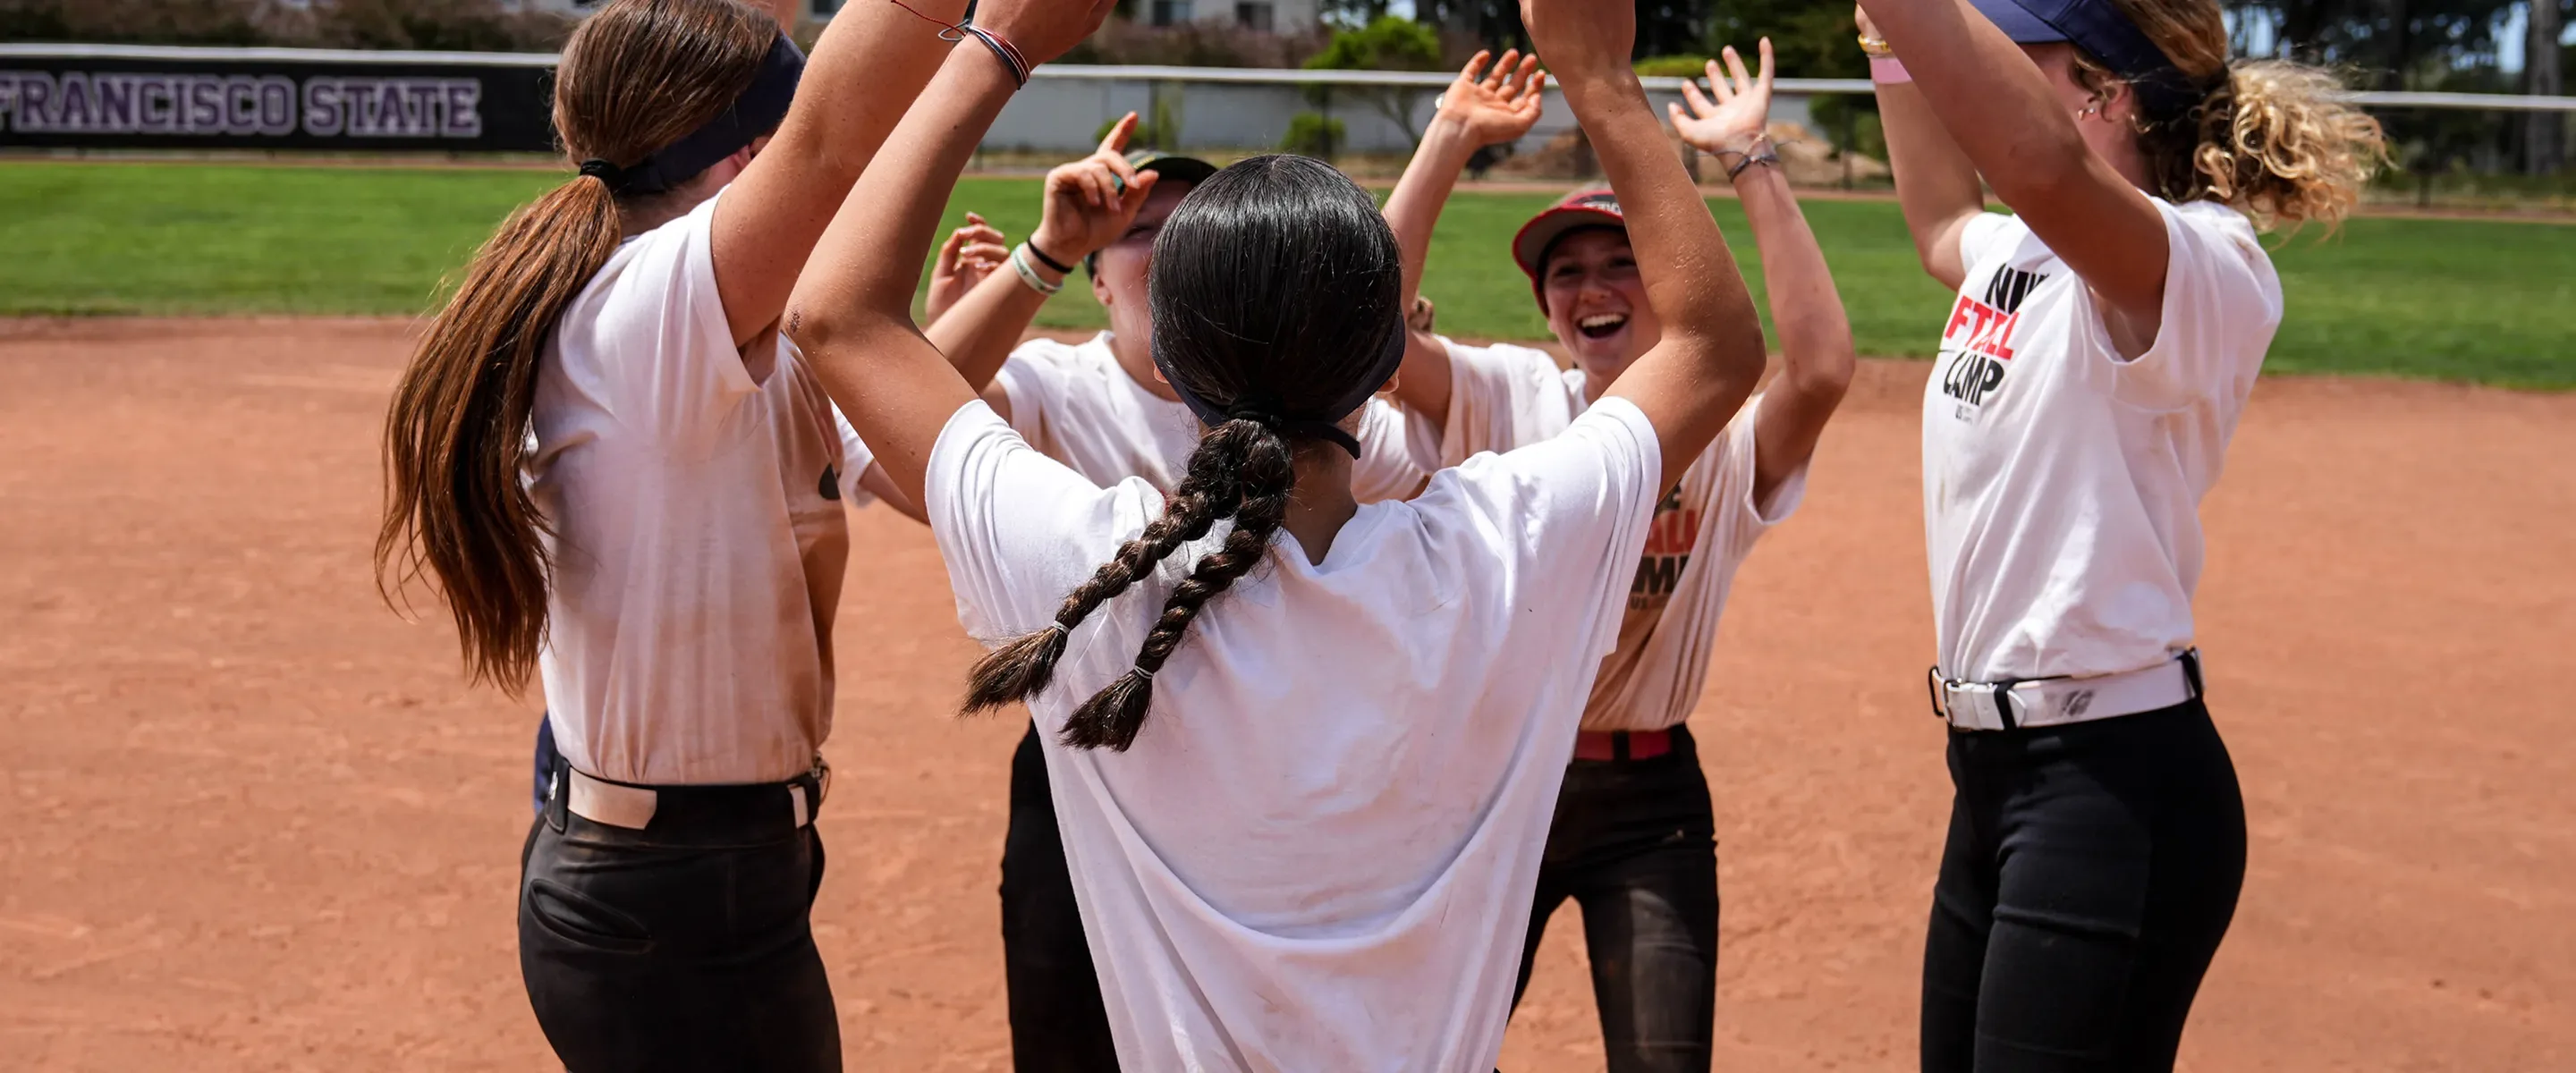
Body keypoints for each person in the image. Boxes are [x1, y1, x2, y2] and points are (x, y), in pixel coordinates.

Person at [779, 0, 1772, 1063]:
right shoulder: (1503, 549)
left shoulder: (1091, 572)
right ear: (1387, 352)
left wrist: (1002, 44)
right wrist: (1601, 80)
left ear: (1175, 352)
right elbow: (1714, 346)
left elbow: (837, 317)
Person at [370, 0, 1109, 1065]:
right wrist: (998, 45)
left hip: (713, 874)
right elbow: (835, 139)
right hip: (661, 904)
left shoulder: (710, 334)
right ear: (747, 154)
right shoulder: (645, 312)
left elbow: (889, 417)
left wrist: (1036, 264)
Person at [1854, 0, 2384, 1067]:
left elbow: (2044, 167)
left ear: (2106, 89)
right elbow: (1936, 222)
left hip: (2114, 791)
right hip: (1994, 776)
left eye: (2016, 49)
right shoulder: (2023, 257)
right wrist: (1886, 35)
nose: (1985, 68)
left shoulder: (2200, 263)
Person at [908, 114, 1440, 1073]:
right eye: (1137, 231)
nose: (1164, 245)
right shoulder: (1050, 382)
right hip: (1086, 751)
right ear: (1099, 279)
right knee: (1064, 1024)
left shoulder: (1324, 419)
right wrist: (1034, 260)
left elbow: (870, 369)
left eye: (1188, 228)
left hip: (1272, 752)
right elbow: (882, 455)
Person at [1377, 38, 1856, 1072]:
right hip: (1497, 783)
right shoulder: (1510, 398)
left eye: (1622, 261)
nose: (1592, 286)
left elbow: (1819, 369)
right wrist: (1451, 136)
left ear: (1670, 282)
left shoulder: (1723, 437)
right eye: (1568, 272)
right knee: (1423, 1052)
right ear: (1548, 308)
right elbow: (1359, 338)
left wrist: (1751, 157)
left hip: (1653, 804)